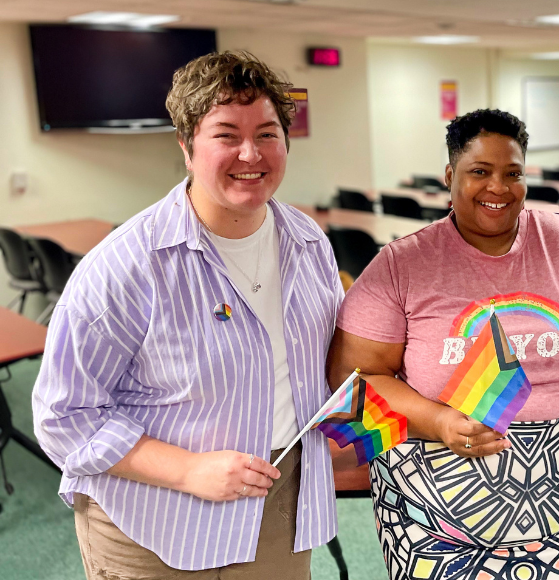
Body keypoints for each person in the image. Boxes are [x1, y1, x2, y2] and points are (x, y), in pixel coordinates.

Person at [32, 51, 345, 579]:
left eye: (267, 133)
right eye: (226, 134)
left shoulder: (308, 242)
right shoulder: (130, 264)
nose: (252, 153)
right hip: (154, 521)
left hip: (276, 504)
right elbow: (62, 415)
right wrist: (188, 470)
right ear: (186, 145)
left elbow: (326, 361)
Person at [327, 109, 559, 580]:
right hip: (436, 507)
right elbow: (353, 381)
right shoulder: (403, 264)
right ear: (449, 175)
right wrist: (439, 420)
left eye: (512, 173)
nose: (497, 187)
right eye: (479, 171)